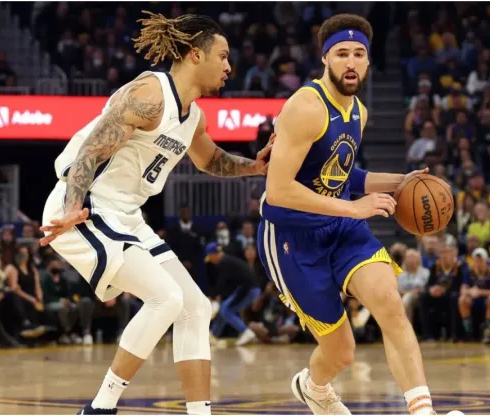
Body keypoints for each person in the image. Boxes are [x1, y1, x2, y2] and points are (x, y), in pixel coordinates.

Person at [39, 11, 272, 416]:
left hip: (126, 217)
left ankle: (199, 412)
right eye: (223, 55)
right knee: (165, 298)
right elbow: (92, 148)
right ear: (194, 54)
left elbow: (209, 160)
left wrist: (255, 166)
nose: (229, 66)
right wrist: (74, 207)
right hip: (85, 207)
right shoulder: (150, 95)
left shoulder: (193, 115)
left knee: (195, 306)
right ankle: (100, 408)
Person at [258, 14, 451, 415]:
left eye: (359, 54)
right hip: (292, 237)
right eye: (341, 53)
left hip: (342, 229)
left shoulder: (359, 112)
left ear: (367, 61)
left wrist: (400, 181)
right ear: (325, 58)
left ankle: (422, 410)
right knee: (341, 352)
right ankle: (314, 387)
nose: (351, 62)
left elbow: (345, 173)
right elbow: (277, 192)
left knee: (389, 303)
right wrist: (352, 206)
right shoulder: (305, 107)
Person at [205, 242, 261, 346]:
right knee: (224, 308)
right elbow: (229, 283)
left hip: (249, 289)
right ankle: (213, 335)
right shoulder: (228, 261)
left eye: (210, 257)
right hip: (246, 289)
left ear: (213, 255)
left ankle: (246, 332)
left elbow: (222, 283)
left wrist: (212, 296)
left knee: (226, 310)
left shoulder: (224, 263)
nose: (211, 261)